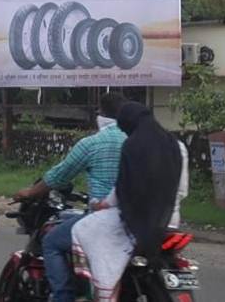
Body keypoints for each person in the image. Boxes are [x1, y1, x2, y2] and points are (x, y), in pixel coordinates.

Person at [13, 92, 127, 302]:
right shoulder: (134, 140)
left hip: (102, 218)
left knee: (51, 241)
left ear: (100, 114)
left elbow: (59, 175)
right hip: (136, 218)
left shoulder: (93, 143)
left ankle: (63, 296)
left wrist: (29, 192)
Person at [70, 102, 185, 301]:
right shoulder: (175, 145)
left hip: (136, 221)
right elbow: (182, 190)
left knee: (82, 231)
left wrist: (103, 204)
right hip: (170, 220)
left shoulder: (133, 145)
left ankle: (103, 290)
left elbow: (124, 188)